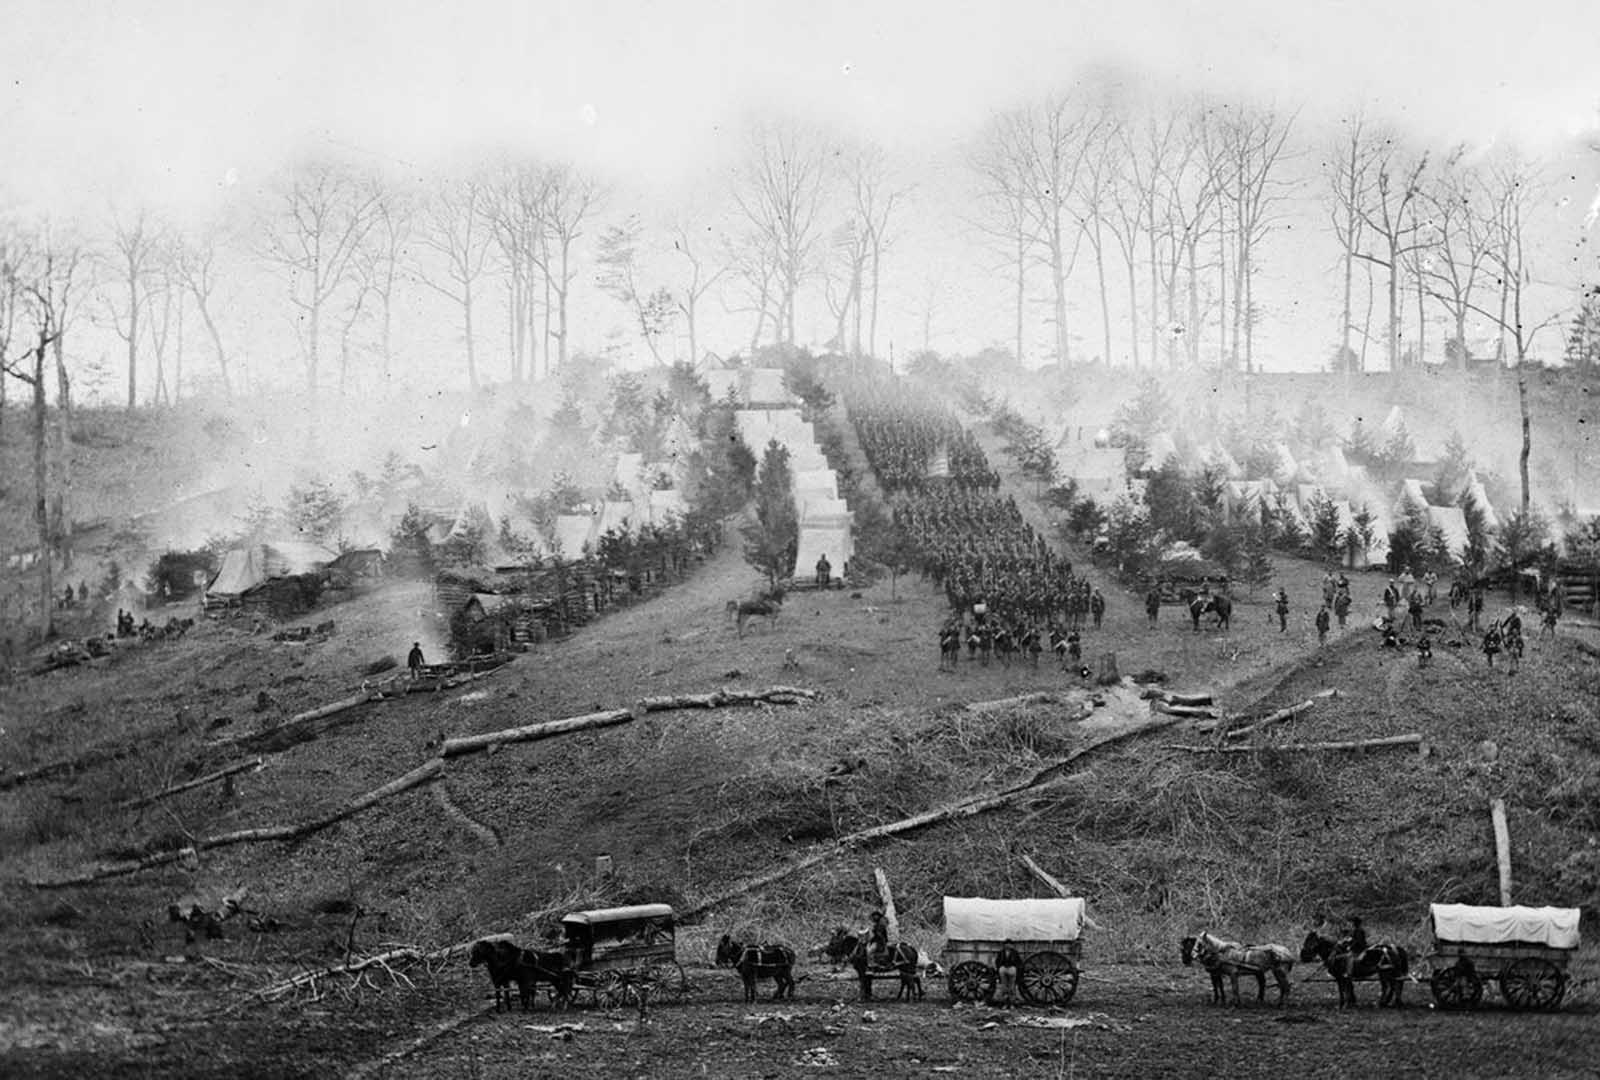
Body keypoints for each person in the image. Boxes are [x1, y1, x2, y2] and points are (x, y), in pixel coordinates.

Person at [994, 939, 1023, 1007]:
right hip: (1003, 968)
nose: (1008, 945)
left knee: (1012, 987)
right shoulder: (1001, 952)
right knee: (1004, 986)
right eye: (1006, 944)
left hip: (1012, 968)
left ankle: (1012, 1003)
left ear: (1012, 945)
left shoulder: (1015, 952)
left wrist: (1016, 968)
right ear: (1004, 945)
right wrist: (999, 967)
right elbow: (997, 961)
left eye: (1009, 944)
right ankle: (1004, 1003)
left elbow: (1019, 962)